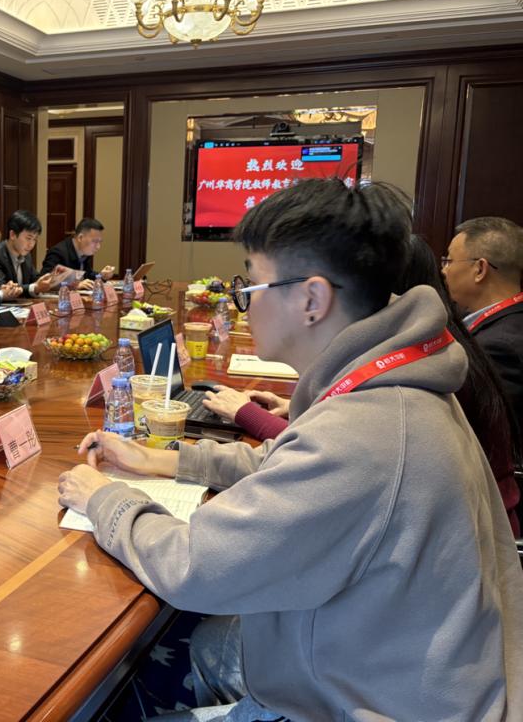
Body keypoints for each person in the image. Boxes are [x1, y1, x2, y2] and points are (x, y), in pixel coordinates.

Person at [58, 179, 523, 721]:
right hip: (376, 659)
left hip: (364, 700)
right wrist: (164, 459)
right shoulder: (396, 386)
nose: (243, 303)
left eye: (251, 285)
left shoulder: (366, 430)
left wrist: (103, 498)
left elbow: (194, 566)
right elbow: (291, 464)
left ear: (311, 299)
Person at [202, 235, 521, 535]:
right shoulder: (436, 350)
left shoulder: (415, 378)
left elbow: (334, 456)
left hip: (468, 531)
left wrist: (248, 414)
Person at [442, 216, 523, 439]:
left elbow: (486, 433)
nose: (444, 271)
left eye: (449, 261)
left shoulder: (500, 347)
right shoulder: (509, 321)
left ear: (480, 269)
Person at [0, 210, 56, 297]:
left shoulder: (26, 255)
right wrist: (35, 287)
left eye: (35, 239)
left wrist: (53, 278)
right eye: (28, 238)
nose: (31, 244)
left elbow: (35, 280)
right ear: (12, 235)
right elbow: (3, 289)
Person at [40, 217, 114, 288]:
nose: (98, 247)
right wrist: (75, 285)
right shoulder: (58, 253)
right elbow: (44, 282)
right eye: (94, 241)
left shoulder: (84, 251)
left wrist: (101, 276)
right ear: (80, 237)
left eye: (100, 242)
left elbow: (87, 274)